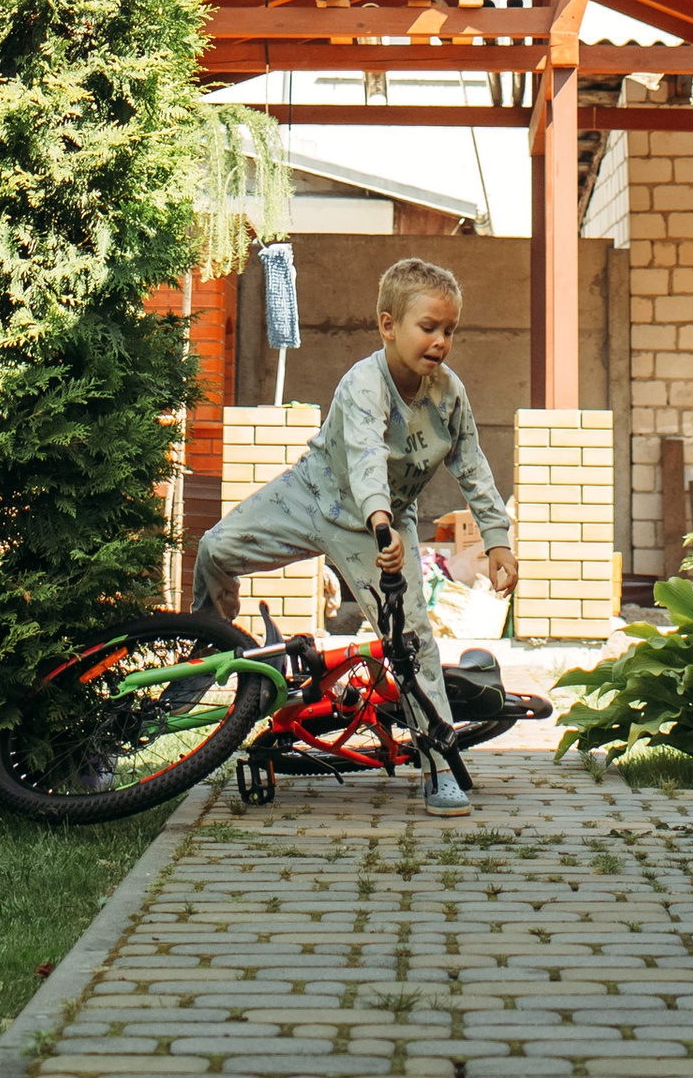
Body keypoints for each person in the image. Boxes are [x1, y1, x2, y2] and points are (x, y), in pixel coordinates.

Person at [188, 253, 516, 815]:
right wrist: (378, 518)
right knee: (215, 548)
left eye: (449, 330)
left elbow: (472, 465)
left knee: (410, 639)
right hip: (313, 497)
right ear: (388, 325)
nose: (439, 341)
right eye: (428, 327)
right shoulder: (364, 383)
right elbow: (364, 455)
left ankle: (437, 767)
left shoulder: (448, 393)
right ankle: (208, 642)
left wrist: (497, 538)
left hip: (382, 529)